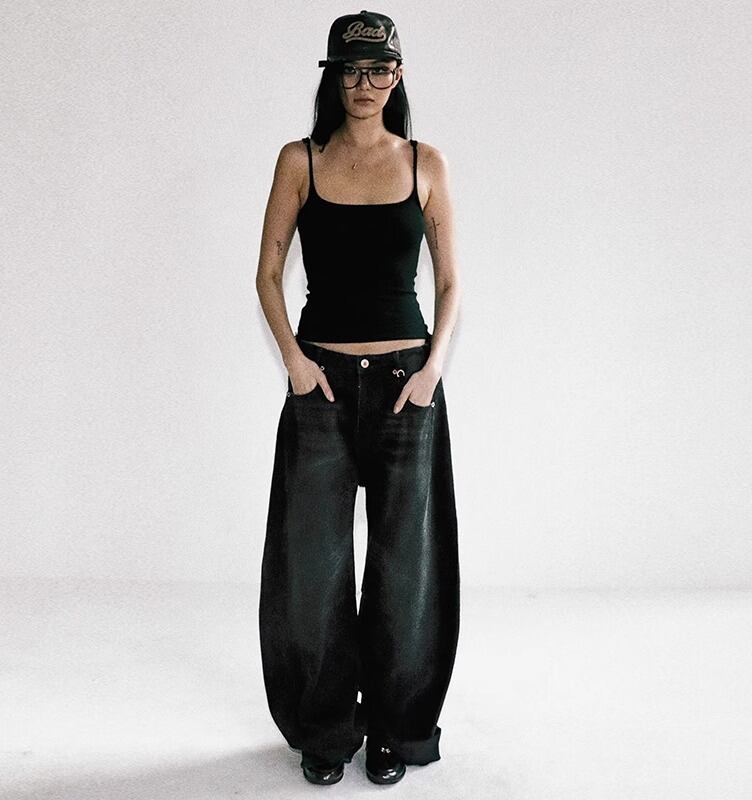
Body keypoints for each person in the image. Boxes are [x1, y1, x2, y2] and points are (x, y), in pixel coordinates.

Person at [255, 10, 461, 786]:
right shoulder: (300, 160)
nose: (365, 83)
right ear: (333, 77)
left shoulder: (426, 162)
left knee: (406, 571)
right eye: (351, 69)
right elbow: (267, 271)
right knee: (313, 570)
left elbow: (450, 282)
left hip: (409, 386)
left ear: (397, 75)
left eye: (379, 69)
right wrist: (295, 363)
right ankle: (325, 728)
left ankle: (396, 730)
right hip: (322, 389)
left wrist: (432, 369)